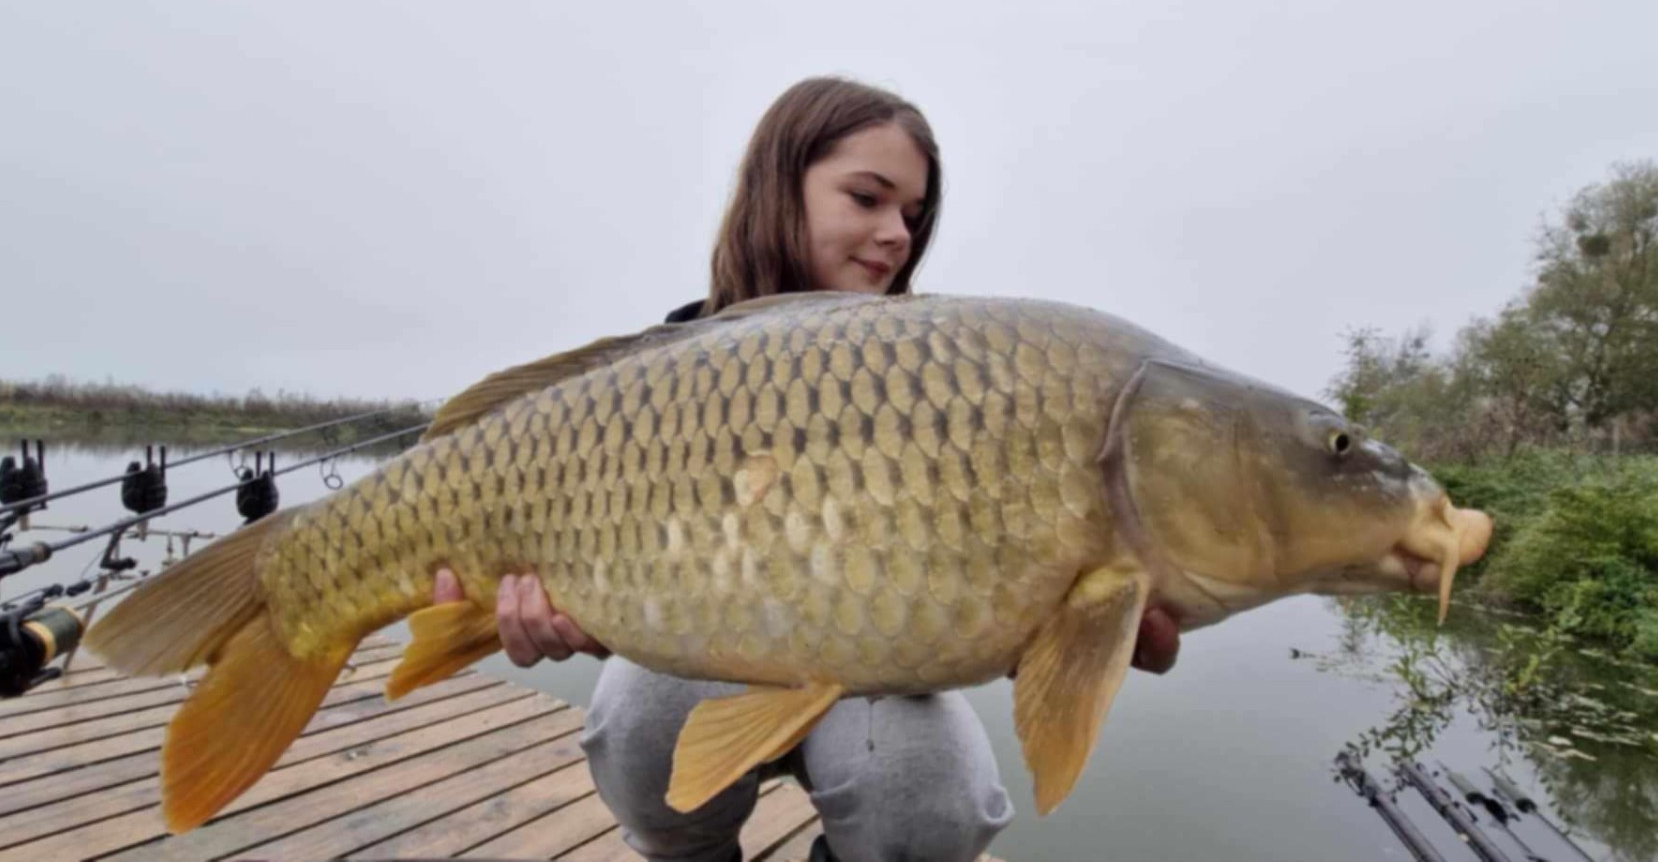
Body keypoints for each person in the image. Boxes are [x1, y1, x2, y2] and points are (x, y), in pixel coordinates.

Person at [433, 76, 1182, 862]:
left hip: (879, 678)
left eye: (913, 215)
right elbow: (621, 582)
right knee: (636, 727)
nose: (897, 233)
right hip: (701, 661)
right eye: (867, 197)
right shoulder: (662, 374)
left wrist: (1084, 624)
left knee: (934, 805)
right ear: (775, 191)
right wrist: (563, 619)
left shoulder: (945, 375)